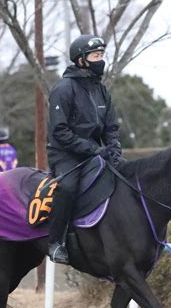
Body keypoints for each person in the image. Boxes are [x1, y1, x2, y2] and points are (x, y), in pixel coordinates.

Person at [46, 34, 123, 264]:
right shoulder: (63, 89)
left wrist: (114, 148)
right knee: (68, 187)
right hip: (66, 154)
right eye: (95, 56)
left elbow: (111, 126)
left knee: (124, 178)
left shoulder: (102, 90)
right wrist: (91, 149)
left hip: (95, 152)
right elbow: (60, 130)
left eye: (101, 55)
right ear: (81, 60)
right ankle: (56, 242)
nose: (101, 60)